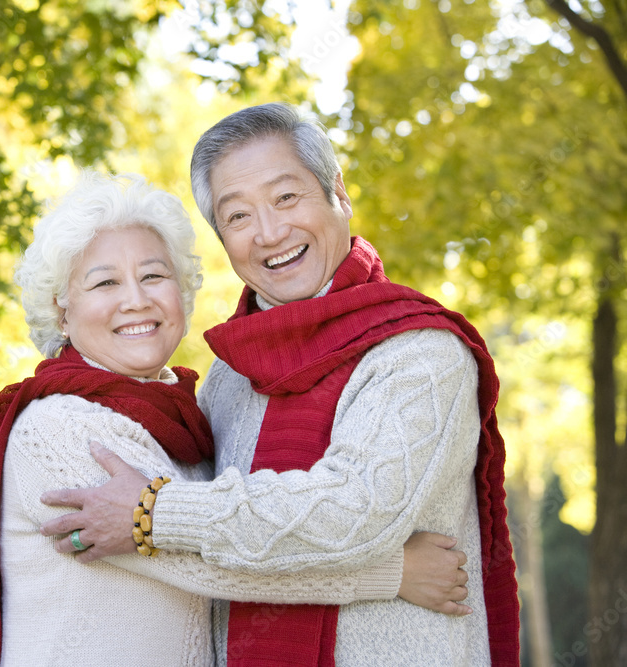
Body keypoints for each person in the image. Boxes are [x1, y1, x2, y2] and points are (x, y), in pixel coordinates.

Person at [39, 105, 521, 665]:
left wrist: (154, 514)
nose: (269, 233)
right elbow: (228, 560)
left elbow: (353, 515)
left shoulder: (418, 353)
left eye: (286, 198)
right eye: (238, 216)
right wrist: (394, 573)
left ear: (336, 192)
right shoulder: (231, 374)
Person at [0, 171, 473, 666]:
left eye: (154, 276)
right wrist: (393, 571)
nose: (136, 300)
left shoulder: (186, 421)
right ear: (62, 310)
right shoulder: (59, 426)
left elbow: (206, 533)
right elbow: (209, 565)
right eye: (105, 284)